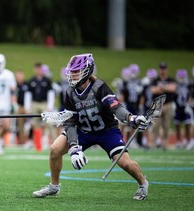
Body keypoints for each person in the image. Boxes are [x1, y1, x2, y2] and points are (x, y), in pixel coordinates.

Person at [32, 53, 150, 200]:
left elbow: (116, 107)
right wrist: (74, 147)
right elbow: (71, 121)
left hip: (107, 131)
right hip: (84, 131)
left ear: (87, 70)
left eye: (76, 71)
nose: (73, 75)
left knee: (125, 163)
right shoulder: (69, 92)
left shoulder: (100, 87)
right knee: (55, 149)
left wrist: (131, 118)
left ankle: (143, 183)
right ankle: (54, 186)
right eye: (72, 72)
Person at [27, 62, 55, 150]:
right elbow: (28, 94)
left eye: (39, 69)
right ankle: (38, 145)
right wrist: (28, 107)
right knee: (35, 124)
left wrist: (50, 106)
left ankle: (55, 142)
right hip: (34, 103)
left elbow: (51, 93)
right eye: (36, 69)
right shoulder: (31, 81)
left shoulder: (47, 80)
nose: (38, 71)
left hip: (44, 103)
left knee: (49, 122)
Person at [150, 62, 177, 149]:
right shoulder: (155, 80)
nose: (162, 70)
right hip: (158, 105)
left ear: (166, 70)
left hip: (168, 104)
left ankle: (165, 143)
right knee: (155, 125)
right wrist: (166, 88)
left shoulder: (170, 79)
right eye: (161, 69)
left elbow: (173, 88)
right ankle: (152, 143)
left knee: (166, 125)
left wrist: (161, 88)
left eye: (164, 69)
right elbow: (153, 90)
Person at [173, 69, 192, 149]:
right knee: (177, 125)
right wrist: (173, 105)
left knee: (187, 125)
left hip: (185, 107)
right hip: (178, 107)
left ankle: (187, 141)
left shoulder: (188, 85)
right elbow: (173, 96)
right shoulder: (175, 85)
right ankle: (178, 141)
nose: (181, 79)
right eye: (180, 77)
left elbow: (190, 95)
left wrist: (189, 105)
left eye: (182, 77)